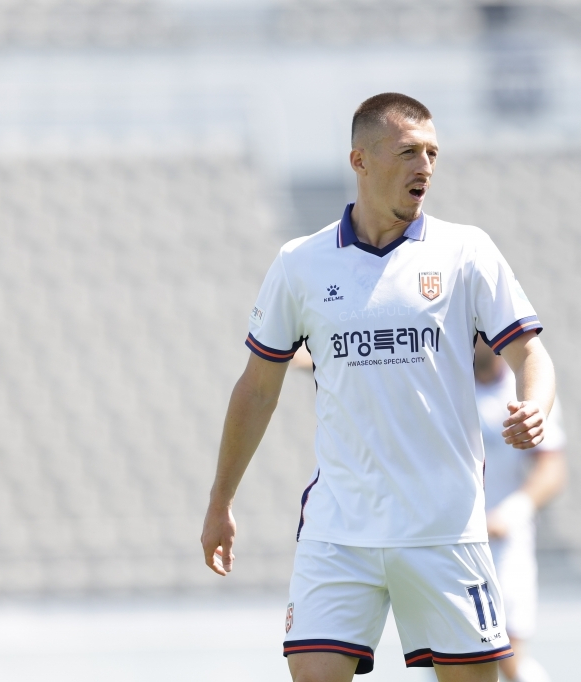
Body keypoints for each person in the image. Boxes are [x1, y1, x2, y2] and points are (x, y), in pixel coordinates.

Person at [200, 92, 556, 682]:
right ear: (360, 160)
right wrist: (220, 500)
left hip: (443, 529)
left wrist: (536, 406)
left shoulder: (466, 252)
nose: (425, 167)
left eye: (433, 153)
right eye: (409, 151)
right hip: (341, 529)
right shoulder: (300, 263)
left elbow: (530, 352)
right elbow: (257, 389)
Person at [475, 338, 566, 682]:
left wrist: (510, 513)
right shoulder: (444, 389)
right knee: (449, 655)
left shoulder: (529, 392)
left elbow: (552, 468)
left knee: (508, 654)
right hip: (449, 538)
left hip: (503, 543)